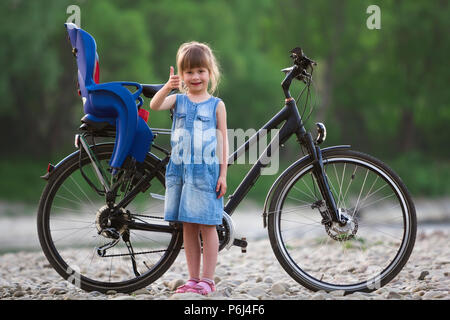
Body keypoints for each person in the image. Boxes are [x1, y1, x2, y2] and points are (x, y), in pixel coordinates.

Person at [150, 41, 228, 295]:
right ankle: (193, 279)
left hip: (205, 174)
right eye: (189, 72)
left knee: (207, 226)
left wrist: (223, 174)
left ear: (210, 72)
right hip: (181, 173)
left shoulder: (216, 105)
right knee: (188, 227)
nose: (195, 77)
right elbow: (154, 105)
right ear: (182, 75)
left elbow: (223, 141)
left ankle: (208, 279)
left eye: (201, 71)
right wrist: (167, 86)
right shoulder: (178, 100)